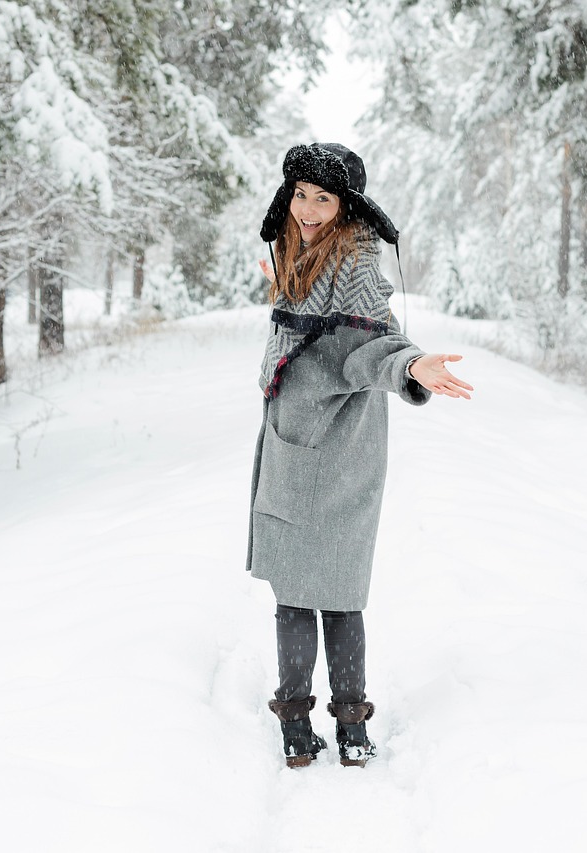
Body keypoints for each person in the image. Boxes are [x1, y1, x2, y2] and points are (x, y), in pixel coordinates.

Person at [247, 142, 473, 768]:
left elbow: (378, 343)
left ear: (347, 207)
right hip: (298, 444)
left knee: (332, 594)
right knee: (304, 594)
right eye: (301, 194)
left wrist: (413, 366)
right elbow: (308, 326)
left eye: (325, 198)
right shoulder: (297, 255)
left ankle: (339, 726)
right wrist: (281, 288)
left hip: (340, 447)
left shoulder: (354, 263)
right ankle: (318, 728)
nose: (311, 209)